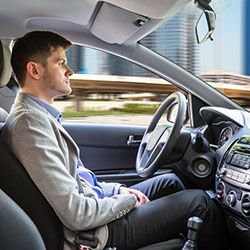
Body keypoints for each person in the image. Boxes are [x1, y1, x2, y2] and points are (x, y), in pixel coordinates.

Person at [2, 31, 230, 250]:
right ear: (34, 70)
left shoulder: (39, 115)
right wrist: (128, 202)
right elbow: (77, 214)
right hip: (94, 233)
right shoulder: (29, 125)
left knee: (169, 181)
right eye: (61, 63)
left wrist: (118, 190)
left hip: (95, 209)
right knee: (200, 203)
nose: (70, 71)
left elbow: (79, 181)